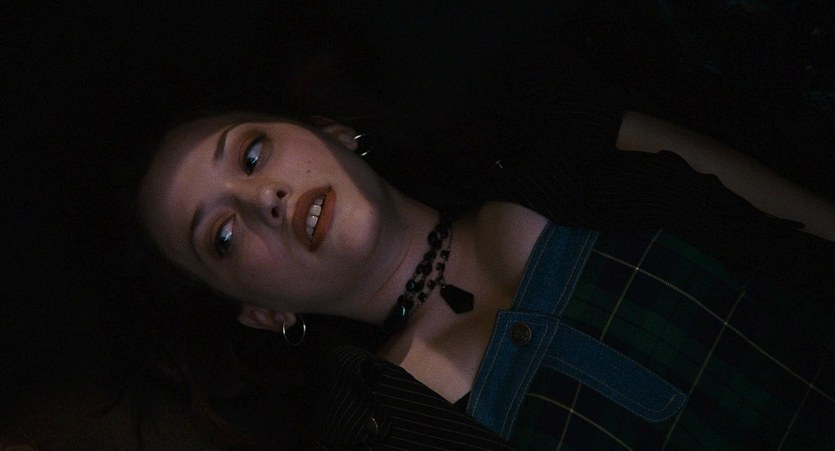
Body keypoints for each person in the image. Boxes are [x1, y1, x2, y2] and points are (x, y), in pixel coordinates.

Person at [138, 101, 835, 449]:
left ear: (334, 132)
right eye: (221, 235)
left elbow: (801, 226)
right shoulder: (387, 428)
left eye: (252, 155)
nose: (263, 198)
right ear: (262, 313)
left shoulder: (569, 142)